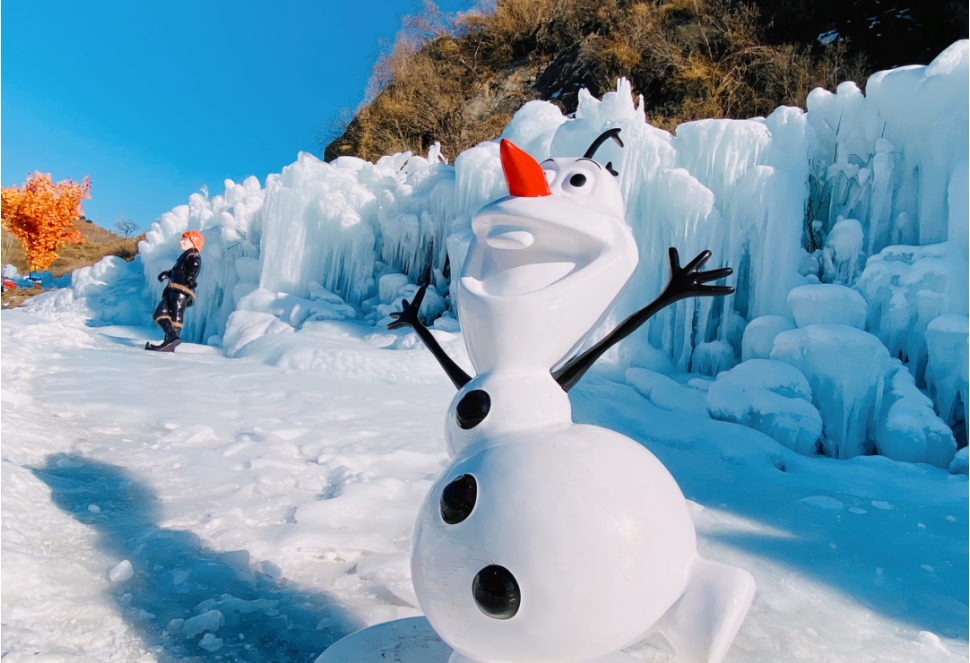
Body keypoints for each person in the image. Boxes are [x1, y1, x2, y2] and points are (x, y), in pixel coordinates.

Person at [146, 231, 203, 352]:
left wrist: (190, 277)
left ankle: (170, 340)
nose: (181, 242)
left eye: (184, 240)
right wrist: (168, 273)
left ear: (193, 242)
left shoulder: (192, 254)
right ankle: (170, 339)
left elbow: (195, 265)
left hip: (181, 290)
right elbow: (179, 270)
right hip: (174, 288)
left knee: (175, 314)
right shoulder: (184, 256)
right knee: (160, 313)